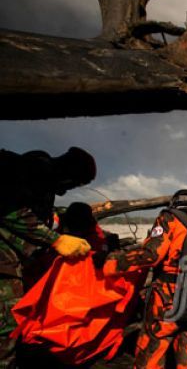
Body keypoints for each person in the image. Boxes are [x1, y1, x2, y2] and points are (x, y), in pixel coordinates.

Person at [0, 147, 96, 368]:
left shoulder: (46, 184)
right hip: (4, 262)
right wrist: (55, 240)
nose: (70, 189)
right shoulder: (28, 170)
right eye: (75, 183)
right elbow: (9, 209)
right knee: (7, 323)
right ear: (68, 174)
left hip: (18, 260)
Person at [103, 189, 187, 369]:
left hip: (170, 294)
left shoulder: (169, 218)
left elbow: (151, 255)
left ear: (175, 202)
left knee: (152, 349)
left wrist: (111, 263)